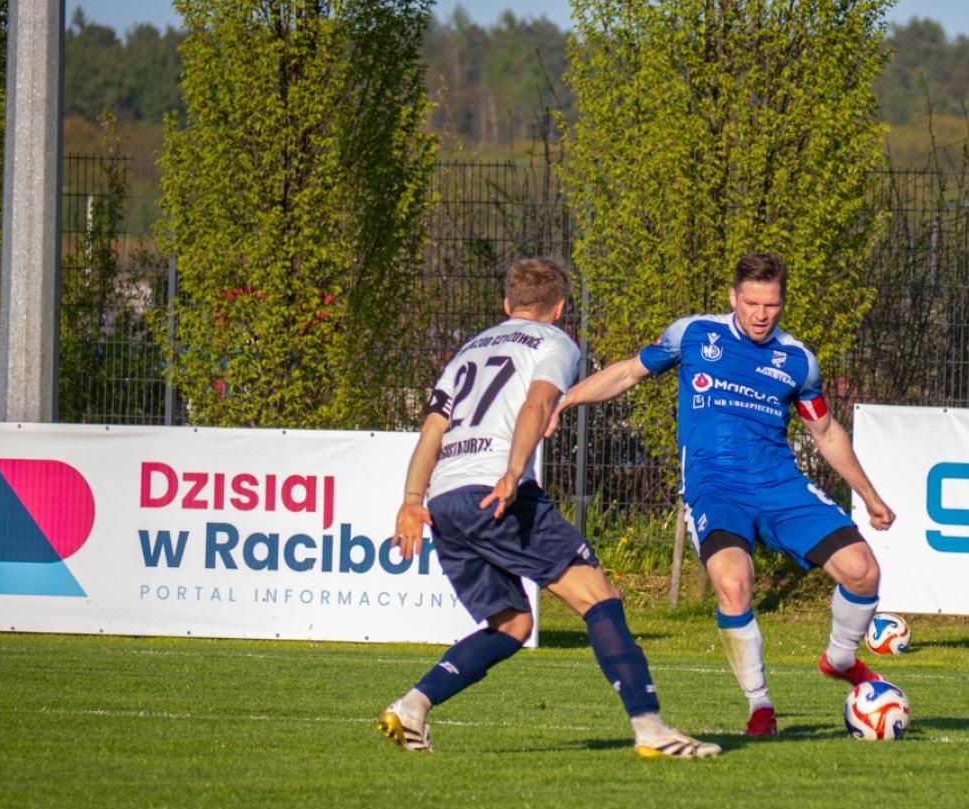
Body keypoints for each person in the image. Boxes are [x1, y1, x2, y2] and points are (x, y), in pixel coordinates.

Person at [378, 257, 720, 760]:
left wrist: (411, 501)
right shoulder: (554, 343)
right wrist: (514, 473)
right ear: (559, 308)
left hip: (445, 499)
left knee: (513, 624)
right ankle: (649, 728)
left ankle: (412, 706)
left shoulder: (466, 353)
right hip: (496, 491)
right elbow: (537, 406)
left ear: (506, 305)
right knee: (598, 596)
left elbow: (432, 430)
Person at [553, 251, 896, 737]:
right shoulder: (693, 334)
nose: (761, 314)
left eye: (771, 305)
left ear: (783, 303)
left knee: (863, 571)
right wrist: (565, 400)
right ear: (733, 297)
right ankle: (760, 706)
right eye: (752, 303)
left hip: (779, 486)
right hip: (715, 488)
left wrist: (870, 495)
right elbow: (629, 372)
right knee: (734, 583)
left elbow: (824, 431)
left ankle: (840, 659)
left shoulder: (798, 361)